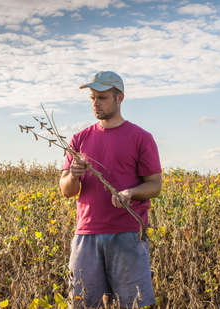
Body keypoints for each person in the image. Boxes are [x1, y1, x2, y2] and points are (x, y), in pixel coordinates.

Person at [59, 71, 162, 308]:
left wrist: (130, 193)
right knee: (82, 303)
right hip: (86, 234)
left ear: (119, 98)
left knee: (134, 304)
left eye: (102, 97)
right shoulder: (79, 139)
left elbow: (155, 185)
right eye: (93, 98)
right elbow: (66, 189)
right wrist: (74, 175)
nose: (96, 103)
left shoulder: (141, 138)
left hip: (127, 233)